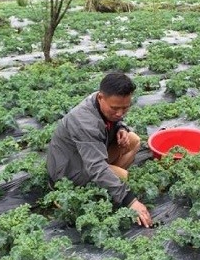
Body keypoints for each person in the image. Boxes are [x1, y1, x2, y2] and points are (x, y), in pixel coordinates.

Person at [46, 72, 153, 228]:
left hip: (86, 156)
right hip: (67, 173)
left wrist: (120, 128)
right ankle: (97, 187)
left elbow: (114, 119)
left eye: (125, 108)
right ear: (101, 98)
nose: (120, 113)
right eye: (115, 108)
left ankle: (106, 182)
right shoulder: (84, 121)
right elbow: (95, 165)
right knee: (123, 176)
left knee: (133, 140)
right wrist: (130, 200)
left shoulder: (101, 100)